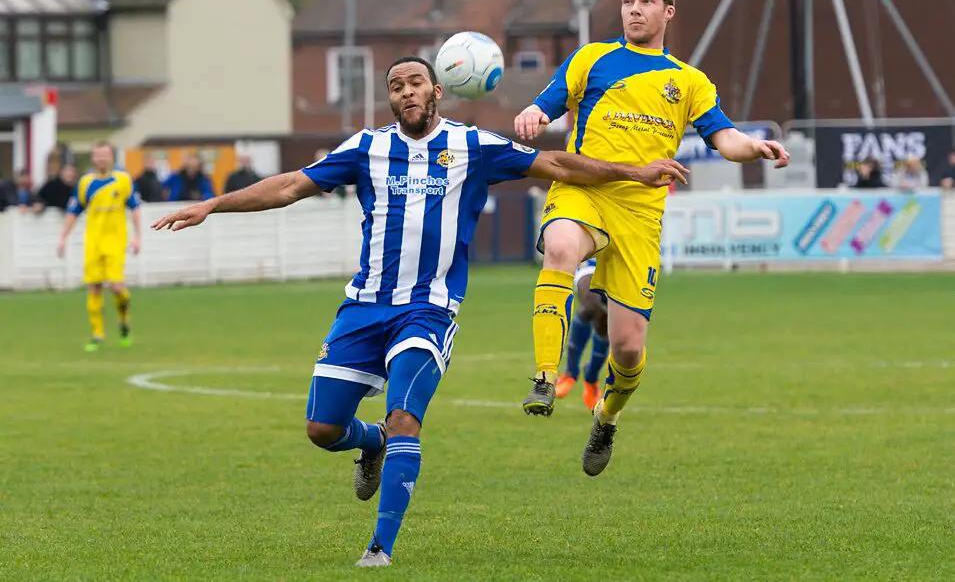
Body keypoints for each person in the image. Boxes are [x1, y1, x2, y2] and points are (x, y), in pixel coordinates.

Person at [151, 56, 688, 568]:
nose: (406, 92)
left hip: (428, 311)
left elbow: (555, 162)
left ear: (437, 90)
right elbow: (292, 184)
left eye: (415, 83)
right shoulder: (366, 148)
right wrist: (212, 205)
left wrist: (632, 172)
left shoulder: (472, 145)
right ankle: (374, 441)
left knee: (406, 414)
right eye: (396, 86)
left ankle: (379, 548)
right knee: (321, 429)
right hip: (363, 307)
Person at [513, 0, 789, 476]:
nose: (634, 8)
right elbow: (546, 103)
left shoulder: (688, 81)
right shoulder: (591, 58)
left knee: (629, 348)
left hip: (640, 213)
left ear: (667, 13)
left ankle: (607, 419)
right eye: (627, 1)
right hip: (584, 190)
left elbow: (725, 138)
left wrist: (755, 147)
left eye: (645, 1)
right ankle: (546, 376)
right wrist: (532, 112)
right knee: (559, 249)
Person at [57, 141, 142, 351]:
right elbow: (73, 212)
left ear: (111, 157)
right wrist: (62, 238)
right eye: (97, 155)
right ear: (93, 158)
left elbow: (135, 209)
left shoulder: (123, 180)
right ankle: (97, 334)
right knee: (94, 287)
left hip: (115, 242)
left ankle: (124, 322)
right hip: (93, 242)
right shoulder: (85, 183)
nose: (101, 159)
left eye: (105, 155)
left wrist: (138, 236)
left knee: (116, 287)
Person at [554, 258, 609, 410]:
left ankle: (591, 377)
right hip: (593, 259)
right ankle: (570, 373)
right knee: (591, 305)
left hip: (622, 262)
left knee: (608, 323)